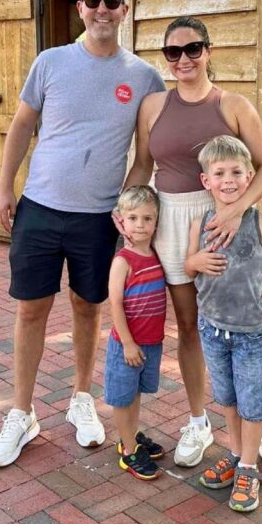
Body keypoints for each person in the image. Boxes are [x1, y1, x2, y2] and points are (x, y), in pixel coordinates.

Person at [0, 0, 165, 468]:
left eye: (112, 1)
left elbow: (146, 156)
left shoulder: (144, 76)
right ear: (81, 8)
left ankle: (81, 399)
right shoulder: (51, 62)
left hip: (97, 218)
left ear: (124, 10)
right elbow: (22, 124)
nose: (102, 9)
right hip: (40, 209)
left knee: (88, 309)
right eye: (93, 0)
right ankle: (21, 413)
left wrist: (128, 207)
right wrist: (5, 187)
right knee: (30, 310)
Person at [122, 16, 262, 486]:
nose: (183, 59)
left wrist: (235, 209)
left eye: (193, 49)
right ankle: (200, 422)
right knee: (191, 326)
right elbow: (143, 165)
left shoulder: (234, 105)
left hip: (221, 219)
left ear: (209, 50)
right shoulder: (152, 106)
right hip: (171, 222)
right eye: (173, 52)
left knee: (245, 325)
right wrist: (122, 218)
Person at [184, 135, 262, 512]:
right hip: (211, 329)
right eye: (220, 173)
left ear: (249, 179)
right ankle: (234, 452)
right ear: (205, 181)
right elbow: (187, 264)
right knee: (227, 398)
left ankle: (249, 467)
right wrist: (194, 263)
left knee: (254, 403)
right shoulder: (199, 223)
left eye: (237, 173)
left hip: (250, 332)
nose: (228, 180)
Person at [105, 185, 167, 480]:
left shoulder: (156, 253)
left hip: (151, 342)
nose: (140, 225)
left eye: (147, 218)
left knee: (136, 392)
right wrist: (128, 343)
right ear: (121, 221)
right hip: (127, 344)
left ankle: (132, 432)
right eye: (133, 218)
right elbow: (115, 304)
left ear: (156, 221)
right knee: (122, 396)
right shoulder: (123, 261)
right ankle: (128, 450)